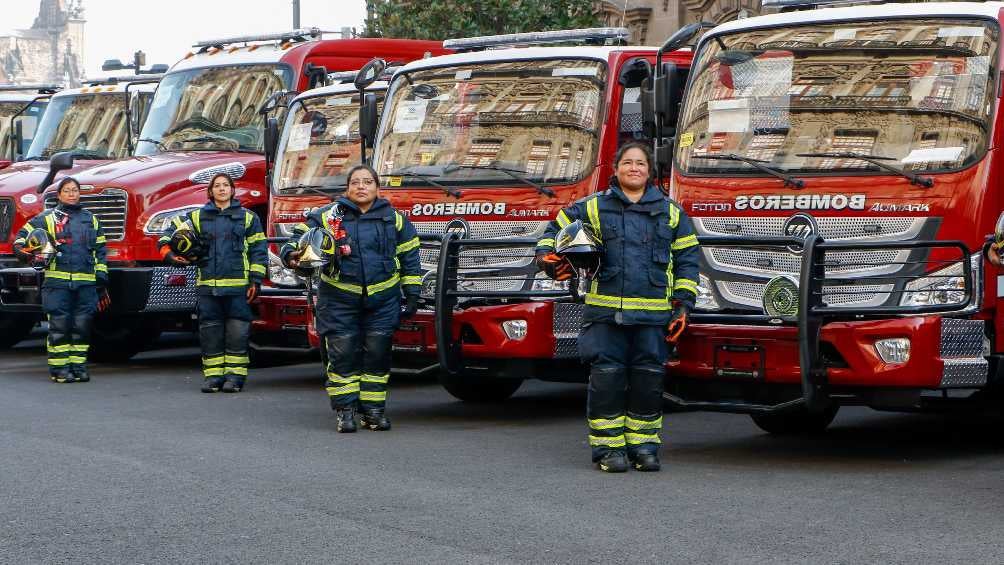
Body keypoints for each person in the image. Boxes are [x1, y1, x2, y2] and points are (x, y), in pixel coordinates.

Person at [536, 142, 700, 473]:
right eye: (627, 163)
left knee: (647, 381)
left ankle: (644, 447)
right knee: (607, 381)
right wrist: (547, 260)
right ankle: (608, 449)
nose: (634, 168)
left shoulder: (671, 212)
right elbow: (553, 232)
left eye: (640, 163)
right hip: (605, 315)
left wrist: (683, 305)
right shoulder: (594, 207)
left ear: (650, 171)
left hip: (653, 317)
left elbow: (687, 260)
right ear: (616, 169)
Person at [280, 164, 421, 433]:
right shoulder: (327, 216)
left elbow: (410, 257)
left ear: (377, 188)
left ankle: (373, 412)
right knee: (342, 356)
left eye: (367, 182)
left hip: (382, 299)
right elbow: (296, 238)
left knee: (377, 357)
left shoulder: (395, 219)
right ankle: (345, 412)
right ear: (347, 187)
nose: (361, 186)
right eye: (355, 182)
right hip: (339, 299)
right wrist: (290, 255)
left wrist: (412, 292)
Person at [158, 172, 267, 393]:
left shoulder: (248, 218)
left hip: (238, 287)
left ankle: (235, 378)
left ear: (232, 190)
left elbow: (259, 251)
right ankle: (213, 377)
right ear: (211, 191)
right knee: (210, 332)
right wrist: (169, 255)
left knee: (238, 332)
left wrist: (255, 280)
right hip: (207, 286)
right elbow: (167, 233)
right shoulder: (197, 217)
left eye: (226, 185)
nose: (222, 189)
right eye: (217, 186)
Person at [13, 177, 110, 383]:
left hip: (86, 284)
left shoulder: (90, 219)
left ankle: (79, 367)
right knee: (59, 327)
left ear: (79, 193)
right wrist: (29, 254)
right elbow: (21, 241)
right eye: (67, 191)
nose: (71, 194)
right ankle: (60, 370)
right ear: (59, 195)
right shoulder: (46, 218)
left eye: (74, 190)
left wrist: (101, 276)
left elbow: (100, 250)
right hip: (57, 285)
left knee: (82, 327)